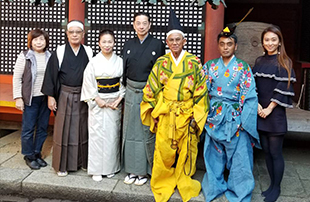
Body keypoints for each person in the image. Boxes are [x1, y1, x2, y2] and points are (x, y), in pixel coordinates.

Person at [140, 9, 209, 202]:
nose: (175, 43)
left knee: (188, 150)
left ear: (184, 41)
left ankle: (184, 179)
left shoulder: (194, 62)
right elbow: (151, 88)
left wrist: (197, 116)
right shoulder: (161, 62)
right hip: (166, 112)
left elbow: (201, 92)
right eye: (171, 40)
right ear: (167, 42)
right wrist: (153, 110)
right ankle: (163, 181)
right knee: (163, 150)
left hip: (186, 113)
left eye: (179, 39)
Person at [201, 26, 260, 202]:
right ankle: (214, 187)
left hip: (236, 117)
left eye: (229, 44)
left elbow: (250, 95)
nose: (226, 47)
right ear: (218, 46)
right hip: (214, 116)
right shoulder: (210, 66)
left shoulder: (243, 68)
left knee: (240, 157)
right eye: (222, 44)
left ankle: (240, 191)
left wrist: (244, 120)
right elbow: (202, 92)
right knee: (213, 154)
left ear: (236, 46)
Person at [41, 20, 93, 177]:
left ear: (83, 34)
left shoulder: (89, 51)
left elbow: (93, 75)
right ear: (67, 34)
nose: (75, 35)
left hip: (83, 95)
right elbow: (51, 75)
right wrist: (51, 97)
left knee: (82, 130)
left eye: (78, 32)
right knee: (63, 130)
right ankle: (61, 165)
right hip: (64, 94)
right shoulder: (60, 51)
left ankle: (81, 162)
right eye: (72, 32)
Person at [122, 12, 165, 186]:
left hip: (149, 93)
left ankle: (144, 171)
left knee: (146, 131)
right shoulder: (128, 44)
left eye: (144, 23)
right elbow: (124, 70)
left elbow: (161, 71)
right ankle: (131, 169)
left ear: (149, 25)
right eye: (138, 23)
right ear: (133, 25)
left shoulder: (157, 44)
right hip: (131, 91)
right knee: (130, 131)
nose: (141, 26)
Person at [253, 26, 296, 202]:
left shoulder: (285, 62)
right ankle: (271, 186)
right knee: (267, 152)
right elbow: (252, 85)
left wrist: (269, 109)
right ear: (262, 42)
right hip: (260, 112)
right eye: (267, 40)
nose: (270, 43)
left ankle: (276, 188)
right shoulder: (259, 61)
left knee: (276, 152)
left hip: (274, 114)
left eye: (273, 39)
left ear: (279, 41)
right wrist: (257, 106)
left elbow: (283, 88)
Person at [81, 29, 125, 182]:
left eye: (110, 41)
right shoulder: (93, 61)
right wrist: (97, 99)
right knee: (97, 135)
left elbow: (122, 83)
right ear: (99, 43)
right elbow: (88, 82)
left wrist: (118, 99)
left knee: (112, 136)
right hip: (98, 103)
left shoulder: (119, 61)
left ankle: (111, 167)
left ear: (114, 43)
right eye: (104, 42)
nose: (107, 45)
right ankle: (97, 169)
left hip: (114, 102)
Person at [13, 29, 51, 170]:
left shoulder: (50, 56)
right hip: (30, 98)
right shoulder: (25, 56)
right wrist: (18, 97)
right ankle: (28, 155)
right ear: (30, 41)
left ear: (46, 41)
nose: (39, 42)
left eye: (42, 39)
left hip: (45, 97)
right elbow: (17, 78)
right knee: (28, 128)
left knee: (42, 127)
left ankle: (37, 153)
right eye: (35, 39)